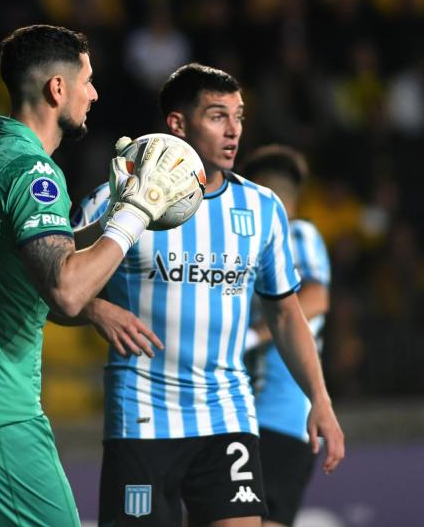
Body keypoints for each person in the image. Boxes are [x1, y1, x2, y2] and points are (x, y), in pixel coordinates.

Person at [0, 24, 197, 527]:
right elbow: (67, 293)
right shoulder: (34, 171)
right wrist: (136, 213)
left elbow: (24, 261)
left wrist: (111, 212)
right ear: (57, 88)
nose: (93, 93)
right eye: (87, 81)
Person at [72, 63, 344, 526]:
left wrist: (320, 398)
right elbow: (54, 286)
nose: (234, 130)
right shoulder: (118, 199)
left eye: (238, 116)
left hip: (227, 417)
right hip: (142, 420)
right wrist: (95, 308)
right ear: (178, 124)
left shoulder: (261, 208)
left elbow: (285, 314)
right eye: (218, 116)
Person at [240, 145, 331, 527]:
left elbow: (316, 296)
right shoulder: (249, 246)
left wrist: (253, 335)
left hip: (281, 417)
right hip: (249, 414)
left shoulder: (298, 234)